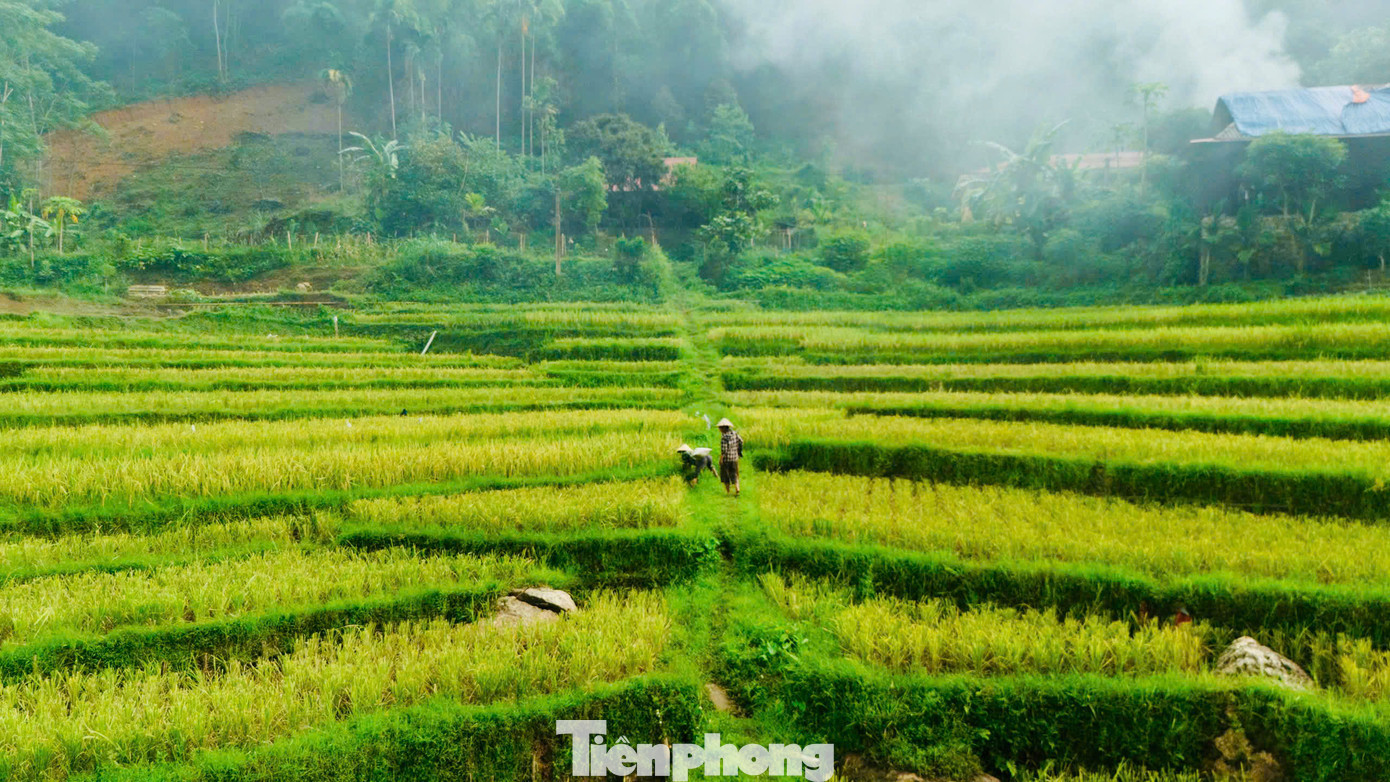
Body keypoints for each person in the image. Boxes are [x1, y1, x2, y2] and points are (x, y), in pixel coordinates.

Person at [717, 418, 744, 497]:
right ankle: (737, 489)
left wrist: (721, 459)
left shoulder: (724, 437)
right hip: (734, 458)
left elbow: (724, 450)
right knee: (735, 474)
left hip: (726, 459)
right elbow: (741, 441)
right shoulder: (734, 433)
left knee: (725, 475)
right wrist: (739, 451)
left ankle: (728, 492)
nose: (719, 429)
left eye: (720, 428)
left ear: (723, 428)